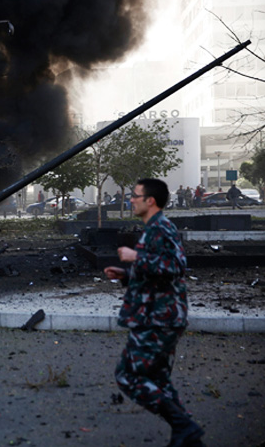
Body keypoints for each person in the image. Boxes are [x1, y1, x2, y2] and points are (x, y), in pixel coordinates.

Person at [103, 179, 204, 447]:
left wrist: (135, 258)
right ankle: (188, 438)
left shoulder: (162, 227)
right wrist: (126, 274)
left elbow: (176, 266)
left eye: (135, 196)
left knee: (129, 375)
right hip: (159, 316)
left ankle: (184, 426)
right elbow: (158, 271)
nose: (130, 200)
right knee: (158, 379)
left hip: (159, 319)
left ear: (150, 201)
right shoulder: (154, 228)